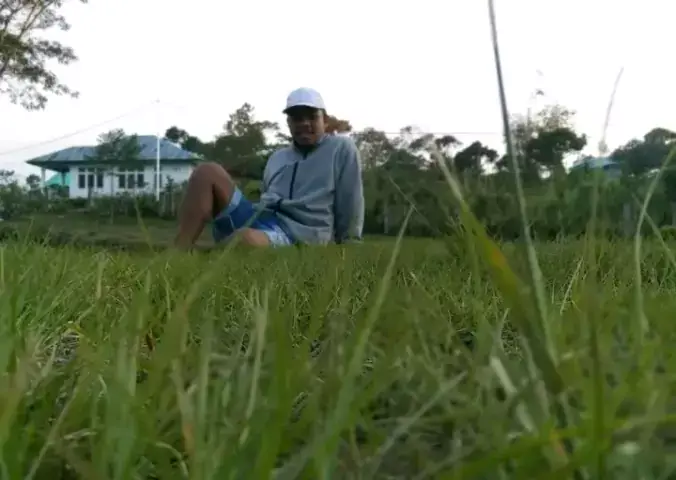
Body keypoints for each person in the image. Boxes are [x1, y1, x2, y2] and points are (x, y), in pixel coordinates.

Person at [174, 87, 364, 249]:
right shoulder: (277, 157)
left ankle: (208, 254)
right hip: (259, 217)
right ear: (289, 123)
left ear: (325, 120)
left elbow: (351, 197)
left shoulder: (340, 148)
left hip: (298, 233)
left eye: (312, 117)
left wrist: (349, 240)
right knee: (207, 171)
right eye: (297, 118)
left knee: (245, 239)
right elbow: (266, 196)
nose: (304, 123)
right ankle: (178, 250)